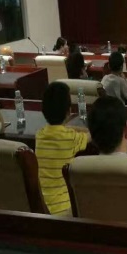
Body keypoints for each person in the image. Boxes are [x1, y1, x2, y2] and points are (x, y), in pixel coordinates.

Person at [35, 82, 89, 215]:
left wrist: (68, 128)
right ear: (69, 111)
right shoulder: (71, 138)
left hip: (42, 206)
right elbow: (90, 135)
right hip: (64, 209)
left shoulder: (40, 135)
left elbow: (61, 132)